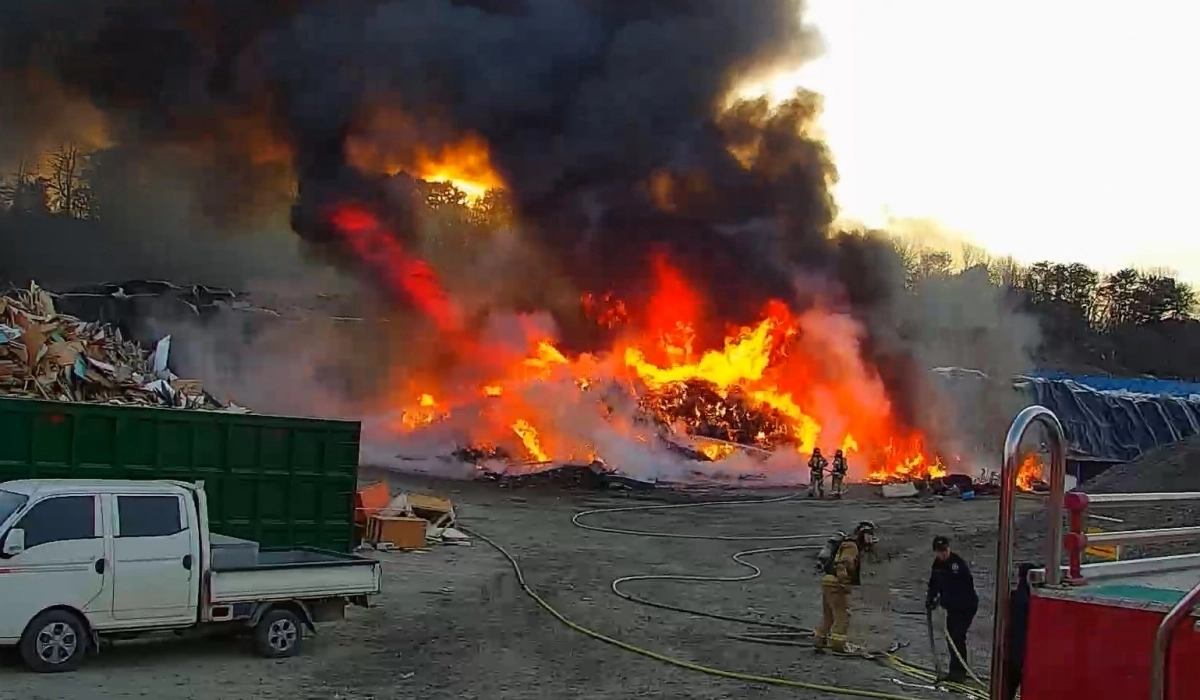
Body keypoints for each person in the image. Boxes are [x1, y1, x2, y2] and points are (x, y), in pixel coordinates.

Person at [814, 520, 878, 653]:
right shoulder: (851, 546)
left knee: (829, 615)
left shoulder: (848, 544)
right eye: (869, 536)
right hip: (836, 584)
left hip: (828, 581)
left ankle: (819, 640)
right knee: (842, 617)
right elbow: (843, 564)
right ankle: (838, 646)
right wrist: (844, 584)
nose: (870, 540)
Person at [925, 535, 979, 684]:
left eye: (945, 550)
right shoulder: (937, 565)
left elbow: (961, 588)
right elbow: (934, 584)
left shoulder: (957, 565)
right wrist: (930, 599)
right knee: (951, 639)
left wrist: (942, 600)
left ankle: (959, 672)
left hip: (965, 606)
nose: (943, 554)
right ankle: (956, 670)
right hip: (952, 608)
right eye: (940, 551)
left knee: (957, 636)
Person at [1005, 563, 1037, 700]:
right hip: (1029, 649)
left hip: (1016, 650)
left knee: (1010, 685)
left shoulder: (1017, 597)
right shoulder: (1034, 598)